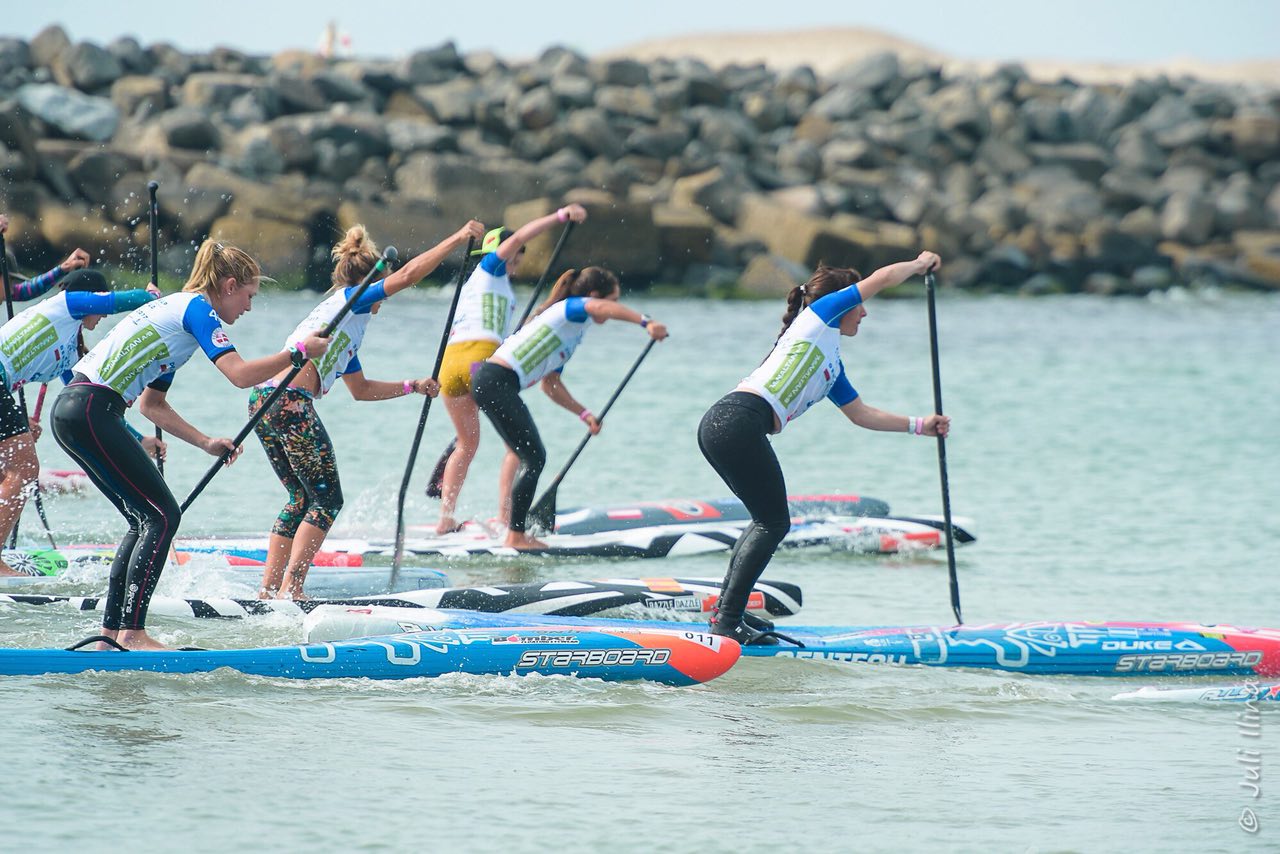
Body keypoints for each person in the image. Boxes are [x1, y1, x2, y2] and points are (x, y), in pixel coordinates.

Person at [50, 239, 332, 650]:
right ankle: (133, 633)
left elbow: (152, 404)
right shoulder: (198, 308)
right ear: (230, 285)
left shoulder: (176, 315)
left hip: (73, 411)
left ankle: (110, 636)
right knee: (163, 517)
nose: (248, 308)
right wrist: (298, 353)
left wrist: (204, 442)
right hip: (93, 408)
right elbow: (239, 374)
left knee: (142, 519)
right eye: (248, 296)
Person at [698, 253, 948, 645]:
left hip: (730, 426)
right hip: (735, 421)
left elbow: (861, 414)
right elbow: (882, 277)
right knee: (773, 522)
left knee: (765, 520)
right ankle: (726, 620)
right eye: (859, 304)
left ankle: (727, 611)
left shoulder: (831, 363)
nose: (864, 313)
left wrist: (921, 426)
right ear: (844, 301)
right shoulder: (818, 319)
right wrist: (919, 265)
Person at [252, 219, 483, 600]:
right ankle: (292, 590)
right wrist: (457, 238)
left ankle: (268, 590)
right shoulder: (351, 299)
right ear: (373, 283)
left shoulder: (344, 323)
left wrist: (412, 386)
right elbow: (409, 274)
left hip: (264, 402)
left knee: (300, 498)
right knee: (327, 500)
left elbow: (360, 390)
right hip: (290, 404)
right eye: (383, 287)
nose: (385, 297)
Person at [471, 266, 668, 550]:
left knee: (529, 455)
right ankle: (515, 535)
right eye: (612, 300)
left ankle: (511, 526)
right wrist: (646, 322)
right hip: (495, 380)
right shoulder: (571, 309)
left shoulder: (573, 332)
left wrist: (584, 414)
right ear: (595, 295)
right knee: (534, 457)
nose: (611, 309)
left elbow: (550, 385)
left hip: (494, 384)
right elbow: (599, 307)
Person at [433, 204, 588, 535]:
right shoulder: (491, 268)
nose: (517, 261)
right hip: (480, 360)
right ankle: (506, 519)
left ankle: (445, 518)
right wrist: (560, 217)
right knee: (516, 446)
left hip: (450, 364)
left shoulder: (478, 286)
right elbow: (521, 234)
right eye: (515, 255)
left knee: (466, 443)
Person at [0, 269, 164, 575]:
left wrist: (137, 438)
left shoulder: (70, 348)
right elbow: (128, 300)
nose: (101, 317)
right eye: (98, 307)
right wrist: (154, 298)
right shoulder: (66, 303)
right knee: (23, 468)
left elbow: (83, 398)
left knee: (6, 472)